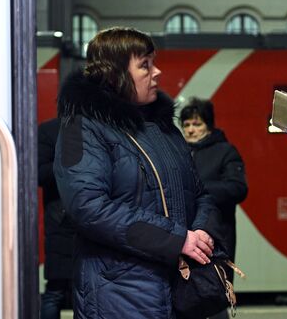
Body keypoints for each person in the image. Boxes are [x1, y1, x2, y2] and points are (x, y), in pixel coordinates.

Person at [53, 27, 221, 319]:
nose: (157, 72)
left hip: (175, 291)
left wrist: (201, 232)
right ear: (114, 73)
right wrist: (177, 239)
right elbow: (88, 206)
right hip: (118, 296)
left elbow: (200, 193)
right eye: (145, 65)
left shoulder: (164, 129)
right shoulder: (84, 127)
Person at [179, 98, 248, 282]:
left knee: (214, 293)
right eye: (186, 125)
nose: (191, 129)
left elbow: (238, 188)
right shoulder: (178, 152)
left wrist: (198, 190)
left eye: (197, 124)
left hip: (215, 236)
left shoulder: (225, 151)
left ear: (208, 126)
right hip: (184, 237)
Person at [38, 117, 74, 319]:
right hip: (59, 220)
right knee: (56, 290)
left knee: (87, 290)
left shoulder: (95, 127)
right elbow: (38, 173)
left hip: (89, 220)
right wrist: (66, 162)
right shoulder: (49, 130)